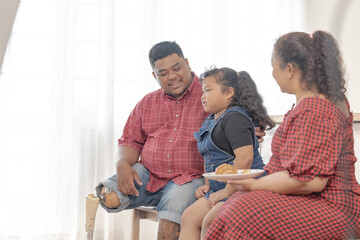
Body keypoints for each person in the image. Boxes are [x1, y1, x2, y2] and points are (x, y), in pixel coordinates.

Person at [93, 41, 266, 239]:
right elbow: (130, 140)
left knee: (172, 217)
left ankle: (171, 202)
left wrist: (250, 130)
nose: (172, 76)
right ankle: (165, 199)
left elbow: (238, 124)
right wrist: (122, 164)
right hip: (151, 174)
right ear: (154, 76)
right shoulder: (147, 102)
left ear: (187, 62)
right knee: (108, 197)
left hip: (190, 178)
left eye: (176, 68)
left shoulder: (210, 95)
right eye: (163, 73)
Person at [204, 31, 360, 240]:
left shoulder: (314, 109)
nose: (272, 73)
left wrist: (255, 184)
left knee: (238, 212)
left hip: (332, 205)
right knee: (224, 211)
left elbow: (311, 182)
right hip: (320, 199)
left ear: (289, 69)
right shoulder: (314, 103)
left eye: (273, 65)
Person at [179, 67, 275, 240]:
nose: (202, 96)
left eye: (208, 90)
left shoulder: (235, 118)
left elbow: (245, 158)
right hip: (219, 188)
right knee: (189, 217)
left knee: (211, 222)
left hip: (243, 187)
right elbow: (209, 155)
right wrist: (207, 184)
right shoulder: (210, 121)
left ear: (229, 92)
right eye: (202, 91)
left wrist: (228, 190)